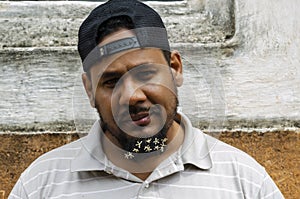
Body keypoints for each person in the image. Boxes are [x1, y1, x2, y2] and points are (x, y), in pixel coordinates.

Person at [9, 0, 284, 198]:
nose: (132, 96)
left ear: (175, 68)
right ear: (89, 90)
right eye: (111, 81)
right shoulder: (40, 185)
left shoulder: (244, 180)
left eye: (146, 74)